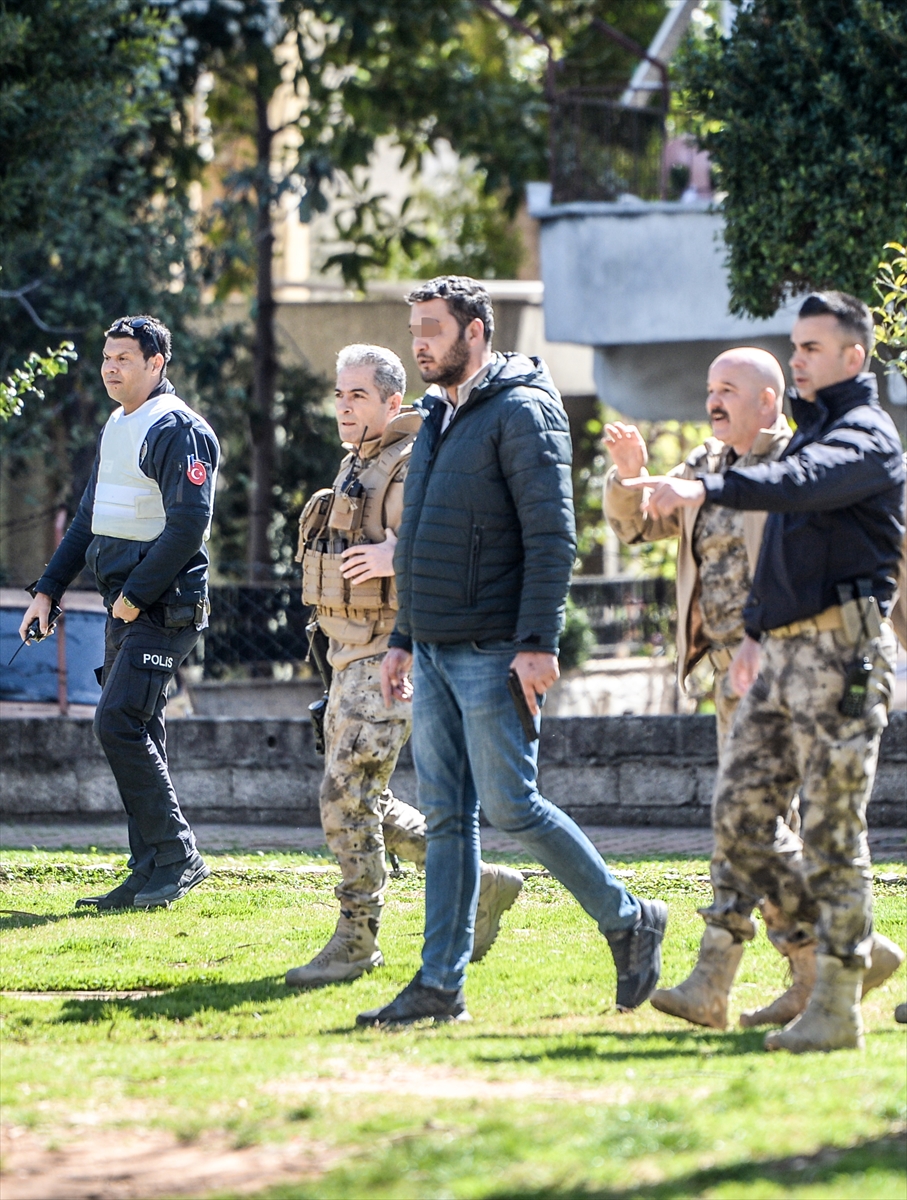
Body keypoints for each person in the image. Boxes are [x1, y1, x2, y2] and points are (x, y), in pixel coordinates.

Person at [356, 276, 667, 1027]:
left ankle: (627, 919)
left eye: (432, 327)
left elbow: (551, 538)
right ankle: (439, 984)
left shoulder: (524, 411)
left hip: (495, 649)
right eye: (414, 329)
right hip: (431, 646)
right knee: (447, 816)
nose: (419, 341)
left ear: (475, 332)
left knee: (510, 806)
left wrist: (536, 644)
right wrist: (402, 638)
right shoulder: (435, 414)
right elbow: (423, 533)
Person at [623, 291, 905, 1052]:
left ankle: (836, 1004)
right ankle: (840, 941)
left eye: (811, 348)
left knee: (830, 833)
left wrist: (707, 486)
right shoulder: (813, 433)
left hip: (841, 659)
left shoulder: (863, 437)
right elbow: (781, 551)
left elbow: (796, 488)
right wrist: (751, 634)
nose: (799, 357)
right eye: (795, 345)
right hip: (775, 655)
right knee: (739, 819)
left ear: (852, 357)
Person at [286, 345, 524, 988]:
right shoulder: (357, 463)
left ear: (394, 402)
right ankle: (481, 885)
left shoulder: (414, 460)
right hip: (345, 654)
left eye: (358, 396)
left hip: (391, 654)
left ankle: (356, 939)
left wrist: (399, 555)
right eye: (339, 394)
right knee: (369, 797)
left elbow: (460, 538)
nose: (343, 406)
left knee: (344, 799)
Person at [18, 315, 219, 909]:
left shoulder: (177, 429)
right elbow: (90, 519)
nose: (110, 367)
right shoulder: (117, 424)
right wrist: (48, 589)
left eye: (124, 357)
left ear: (158, 364)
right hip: (125, 607)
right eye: (107, 357)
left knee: (117, 724)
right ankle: (150, 868)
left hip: (163, 606)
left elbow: (189, 525)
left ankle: (178, 857)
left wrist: (134, 598)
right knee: (138, 726)